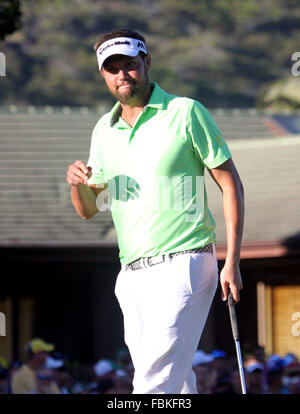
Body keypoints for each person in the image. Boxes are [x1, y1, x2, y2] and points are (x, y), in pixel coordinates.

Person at [66, 28, 244, 394]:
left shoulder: (186, 112)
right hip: (131, 274)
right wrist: (76, 184)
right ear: (103, 74)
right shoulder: (104, 130)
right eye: (112, 68)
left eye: (129, 65)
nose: (122, 75)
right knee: (177, 386)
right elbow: (88, 210)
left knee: (152, 382)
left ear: (146, 62)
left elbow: (231, 185)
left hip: (187, 262)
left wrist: (233, 261)